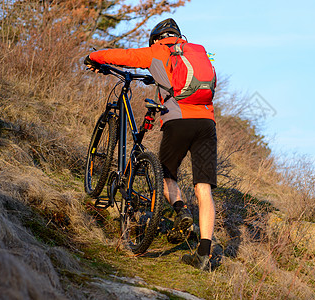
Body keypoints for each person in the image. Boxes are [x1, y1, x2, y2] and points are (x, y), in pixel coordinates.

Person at [84, 18, 217, 271]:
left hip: (178, 119)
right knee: (204, 188)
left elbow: (122, 56)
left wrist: (94, 57)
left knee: (165, 175)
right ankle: (204, 255)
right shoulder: (199, 52)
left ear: (156, 39)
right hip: (207, 122)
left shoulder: (157, 50)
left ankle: (180, 211)